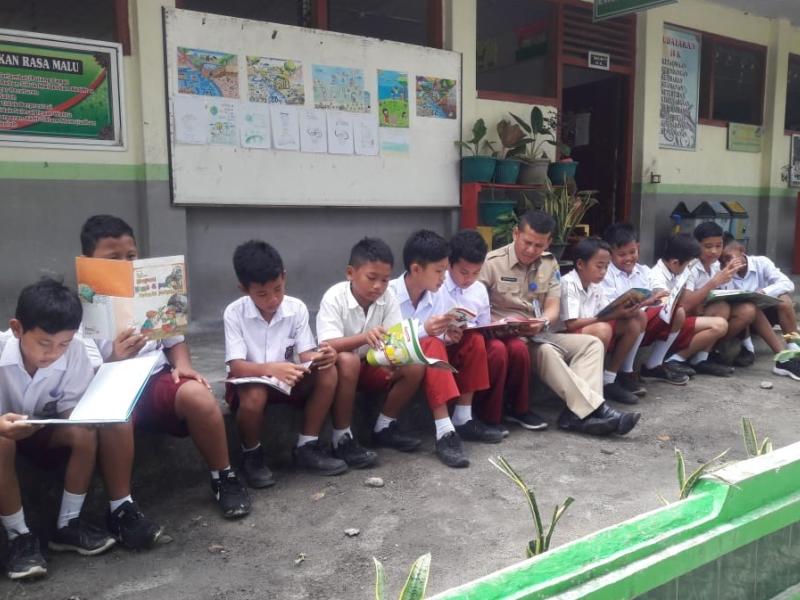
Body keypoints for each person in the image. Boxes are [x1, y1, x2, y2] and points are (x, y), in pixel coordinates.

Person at [79, 215, 250, 539]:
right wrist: (116, 357)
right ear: (89, 263)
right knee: (116, 418)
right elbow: (88, 372)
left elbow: (174, 341)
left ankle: (223, 477)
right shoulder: (83, 307)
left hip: (155, 377)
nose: (125, 264)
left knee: (198, 396)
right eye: (112, 258)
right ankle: (121, 507)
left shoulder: (151, 291)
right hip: (110, 384)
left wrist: (183, 364)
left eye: (130, 256)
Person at [224, 240, 376, 484]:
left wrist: (322, 356)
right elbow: (237, 366)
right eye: (262, 294)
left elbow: (306, 355)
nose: (273, 299)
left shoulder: (296, 308)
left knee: (328, 371)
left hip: (288, 381)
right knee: (255, 397)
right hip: (252, 380)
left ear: (284, 277)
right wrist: (271, 369)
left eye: (278, 289)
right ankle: (251, 454)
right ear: (244, 289)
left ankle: (307, 445)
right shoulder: (234, 313)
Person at [479, 210, 640, 436]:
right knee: (546, 351)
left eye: (539, 245)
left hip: (539, 331)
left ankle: (575, 415)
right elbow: (476, 305)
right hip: (510, 337)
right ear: (516, 234)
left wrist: (543, 320)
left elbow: (553, 306)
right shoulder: (492, 263)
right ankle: (596, 409)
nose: (531, 250)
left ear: (549, 242)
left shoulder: (549, 263)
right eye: (527, 243)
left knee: (590, 345)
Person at [0, 279, 115, 581]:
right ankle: (19, 537)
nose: (53, 353)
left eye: (63, 343)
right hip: (5, 435)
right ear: (17, 329)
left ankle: (68, 525)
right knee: (2, 442)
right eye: (44, 343)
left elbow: (70, 409)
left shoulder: (75, 352)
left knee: (85, 432)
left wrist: (87, 415)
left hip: (44, 431)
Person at [389, 230, 502, 469]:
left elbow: (440, 330)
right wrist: (427, 331)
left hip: (428, 357)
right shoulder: (389, 294)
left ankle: (463, 416)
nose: (443, 277)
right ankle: (444, 431)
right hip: (393, 362)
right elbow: (387, 341)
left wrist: (448, 334)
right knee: (431, 342)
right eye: (439, 271)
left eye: (444, 270)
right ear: (417, 269)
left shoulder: (436, 293)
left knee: (472, 341)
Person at [316, 237, 425, 461]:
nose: (378, 286)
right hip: (341, 370)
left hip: (373, 363)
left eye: (385, 280)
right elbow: (327, 345)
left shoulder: (388, 297)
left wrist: (396, 357)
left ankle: (384, 426)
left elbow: (393, 338)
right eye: (371, 278)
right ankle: (342, 438)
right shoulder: (334, 298)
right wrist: (364, 337)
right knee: (348, 360)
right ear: (350, 273)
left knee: (415, 364)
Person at [442, 230, 542, 432]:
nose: (469, 279)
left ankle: (513, 410)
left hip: (474, 341)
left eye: (476, 272)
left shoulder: (478, 289)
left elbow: (484, 323)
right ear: (449, 263)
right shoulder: (439, 283)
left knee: (514, 347)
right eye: (463, 272)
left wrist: (504, 328)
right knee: (487, 346)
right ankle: (482, 416)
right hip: (448, 345)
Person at [601, 223, 692, 386]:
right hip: (619, 323)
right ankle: (626, 371)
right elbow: (610, 307)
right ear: (610, 254)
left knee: (677, 311)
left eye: (632, 252)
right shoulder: (605, 274)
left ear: (638, 247)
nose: (629, 258)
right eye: (621, 254)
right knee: (640, 314)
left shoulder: (643, 271)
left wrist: (663, 297)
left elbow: (656, 293)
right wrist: (646, 302)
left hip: (641, 324)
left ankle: (654, 363)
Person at [559, 238, 646, 405]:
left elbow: (606, 310)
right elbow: (571, 324)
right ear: (580, 264)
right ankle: (594, 383)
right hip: (565, 335)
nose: (604, 271)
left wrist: (627, 309)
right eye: (599, 266)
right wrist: (606, 317)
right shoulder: (568, 283)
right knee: (602, 329)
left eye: (606, 266)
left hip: (589, 329)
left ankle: (609, 379)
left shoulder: (595, 285)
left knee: (635, 319)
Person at [648, 233, 731, 378]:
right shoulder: (656, 277)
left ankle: (697, 359)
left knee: (722, 309)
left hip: (678, 321)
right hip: (661, 325)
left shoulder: (678, 271)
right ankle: (671, 360)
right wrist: (713, 284)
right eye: (687, 264)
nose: (689, 268)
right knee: (719, 325)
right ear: (675, 262)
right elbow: (671, 309)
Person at [720, 235, 800, 380]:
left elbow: (788, 283)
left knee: (784, 300)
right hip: (741, 324)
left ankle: (793, 347)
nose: (726, 263)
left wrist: (763, 292)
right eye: (723, 260)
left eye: (728, 257)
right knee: (749, 307)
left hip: (766, 318)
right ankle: (769, 355)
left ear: (741, 250)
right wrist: (728, 276)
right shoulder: (722, 272)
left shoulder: (761, 263)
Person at [682, 222, 756, 367]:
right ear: (697, 245)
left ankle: (704, 354)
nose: (714, 251)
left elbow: (725, 294)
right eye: (708, 246)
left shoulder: (717, 266)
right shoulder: (690, 267)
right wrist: (714, 283)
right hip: (690, 317)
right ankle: (693, 356)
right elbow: (686, 304)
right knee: (722, 308)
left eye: (719, 246)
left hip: (710, 314)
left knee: (748, 310)